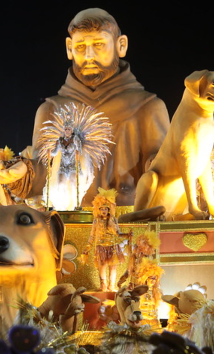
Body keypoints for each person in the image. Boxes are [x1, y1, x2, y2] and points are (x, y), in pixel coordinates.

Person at [30, 8, 170, 207]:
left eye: (99, 44)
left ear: (121, 45)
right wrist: (21, 173)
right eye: (80, 46)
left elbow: (161, 170)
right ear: (69, 48)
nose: (88, 55)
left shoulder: (147, 108)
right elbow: (41, 174)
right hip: (64, 223)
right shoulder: (51, 110)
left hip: (128, 222)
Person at [83, 187, 126, 292]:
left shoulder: (113, 219)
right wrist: (87, 247)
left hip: (112, 246)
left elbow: (118, 233)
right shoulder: (96, 221)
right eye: (101, 209)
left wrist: (126, 235)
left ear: (109, 210)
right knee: (101, 266)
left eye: (105, 209)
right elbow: (92, 235)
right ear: (98, 209)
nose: (103, 211)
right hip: (101, 247)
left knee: (113, 267)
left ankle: (111, 286)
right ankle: (103, 286)